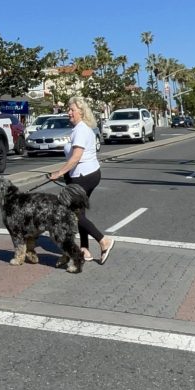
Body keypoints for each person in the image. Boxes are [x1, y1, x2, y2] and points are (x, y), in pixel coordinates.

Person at [49, 96, 115, 264]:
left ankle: (103, 241)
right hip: (87, 174)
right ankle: (84, 249)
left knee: (73, 214)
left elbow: (76, 157)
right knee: (80, 212)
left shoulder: (80, 130)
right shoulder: (81, 128)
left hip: (83, 176)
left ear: (81, 111)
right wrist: (65, 174)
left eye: (72, 110)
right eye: (68, 109)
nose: (68, 112)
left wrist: (59, 172)